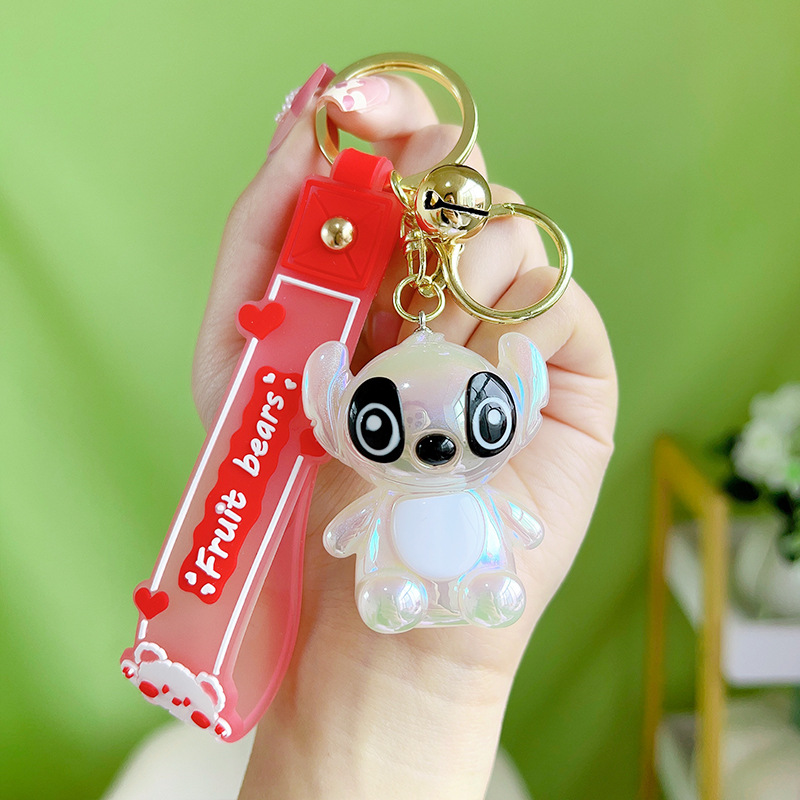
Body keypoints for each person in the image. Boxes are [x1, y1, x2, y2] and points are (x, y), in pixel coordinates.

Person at [113, 65, 617, 800]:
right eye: (381, 426)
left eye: (482, 421)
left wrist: (426, 688)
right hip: (372, 569)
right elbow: (346, 531)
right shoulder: (322, 418)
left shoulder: (474, 462)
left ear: (518, 399)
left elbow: (497, 526)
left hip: (467, 579)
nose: (436, 446)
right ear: (337, 411)